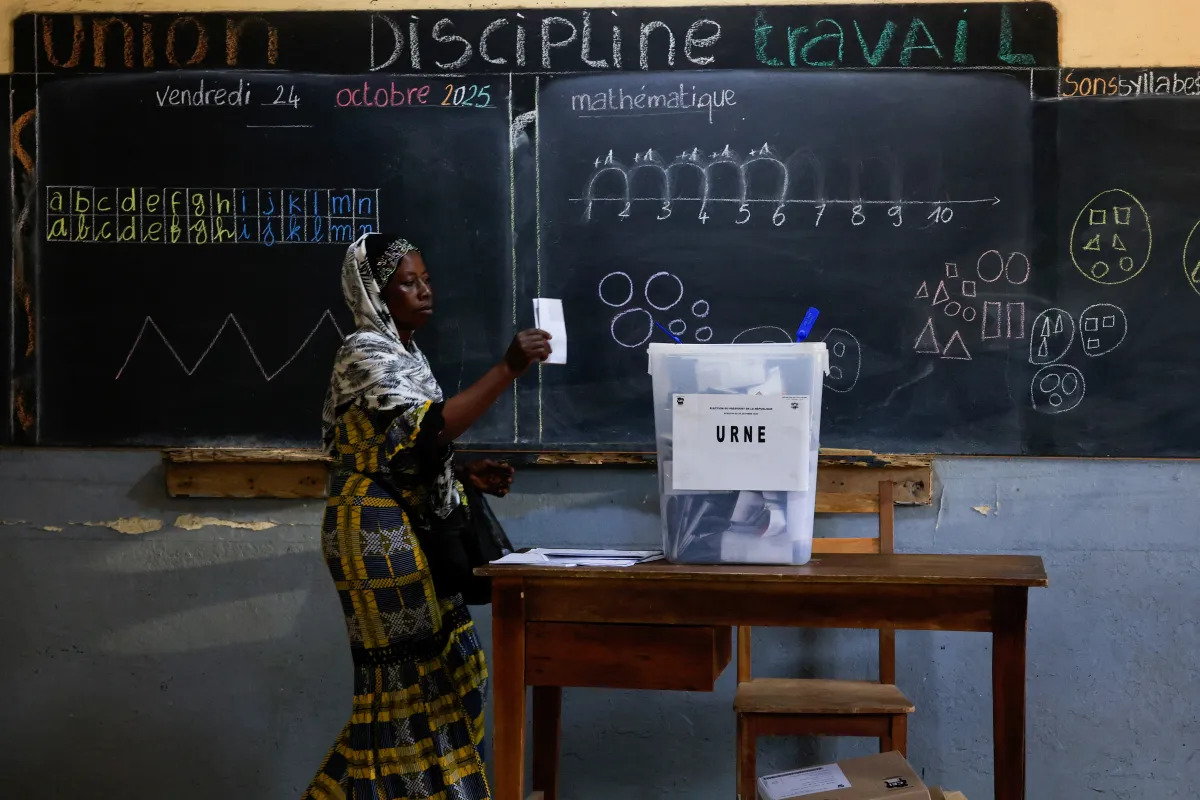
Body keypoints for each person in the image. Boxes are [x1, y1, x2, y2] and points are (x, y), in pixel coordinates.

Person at [303, 231, 551, 800]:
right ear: (375, 293)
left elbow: (406, 449)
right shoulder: (364, 353)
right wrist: (508, 369)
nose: (423, 291)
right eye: (407, 283)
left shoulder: (404, 355)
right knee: (404, 690)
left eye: (426, 279)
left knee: (452, 671)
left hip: (407, 526)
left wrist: (462, 473)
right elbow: (427, 428)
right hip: (375, 533)